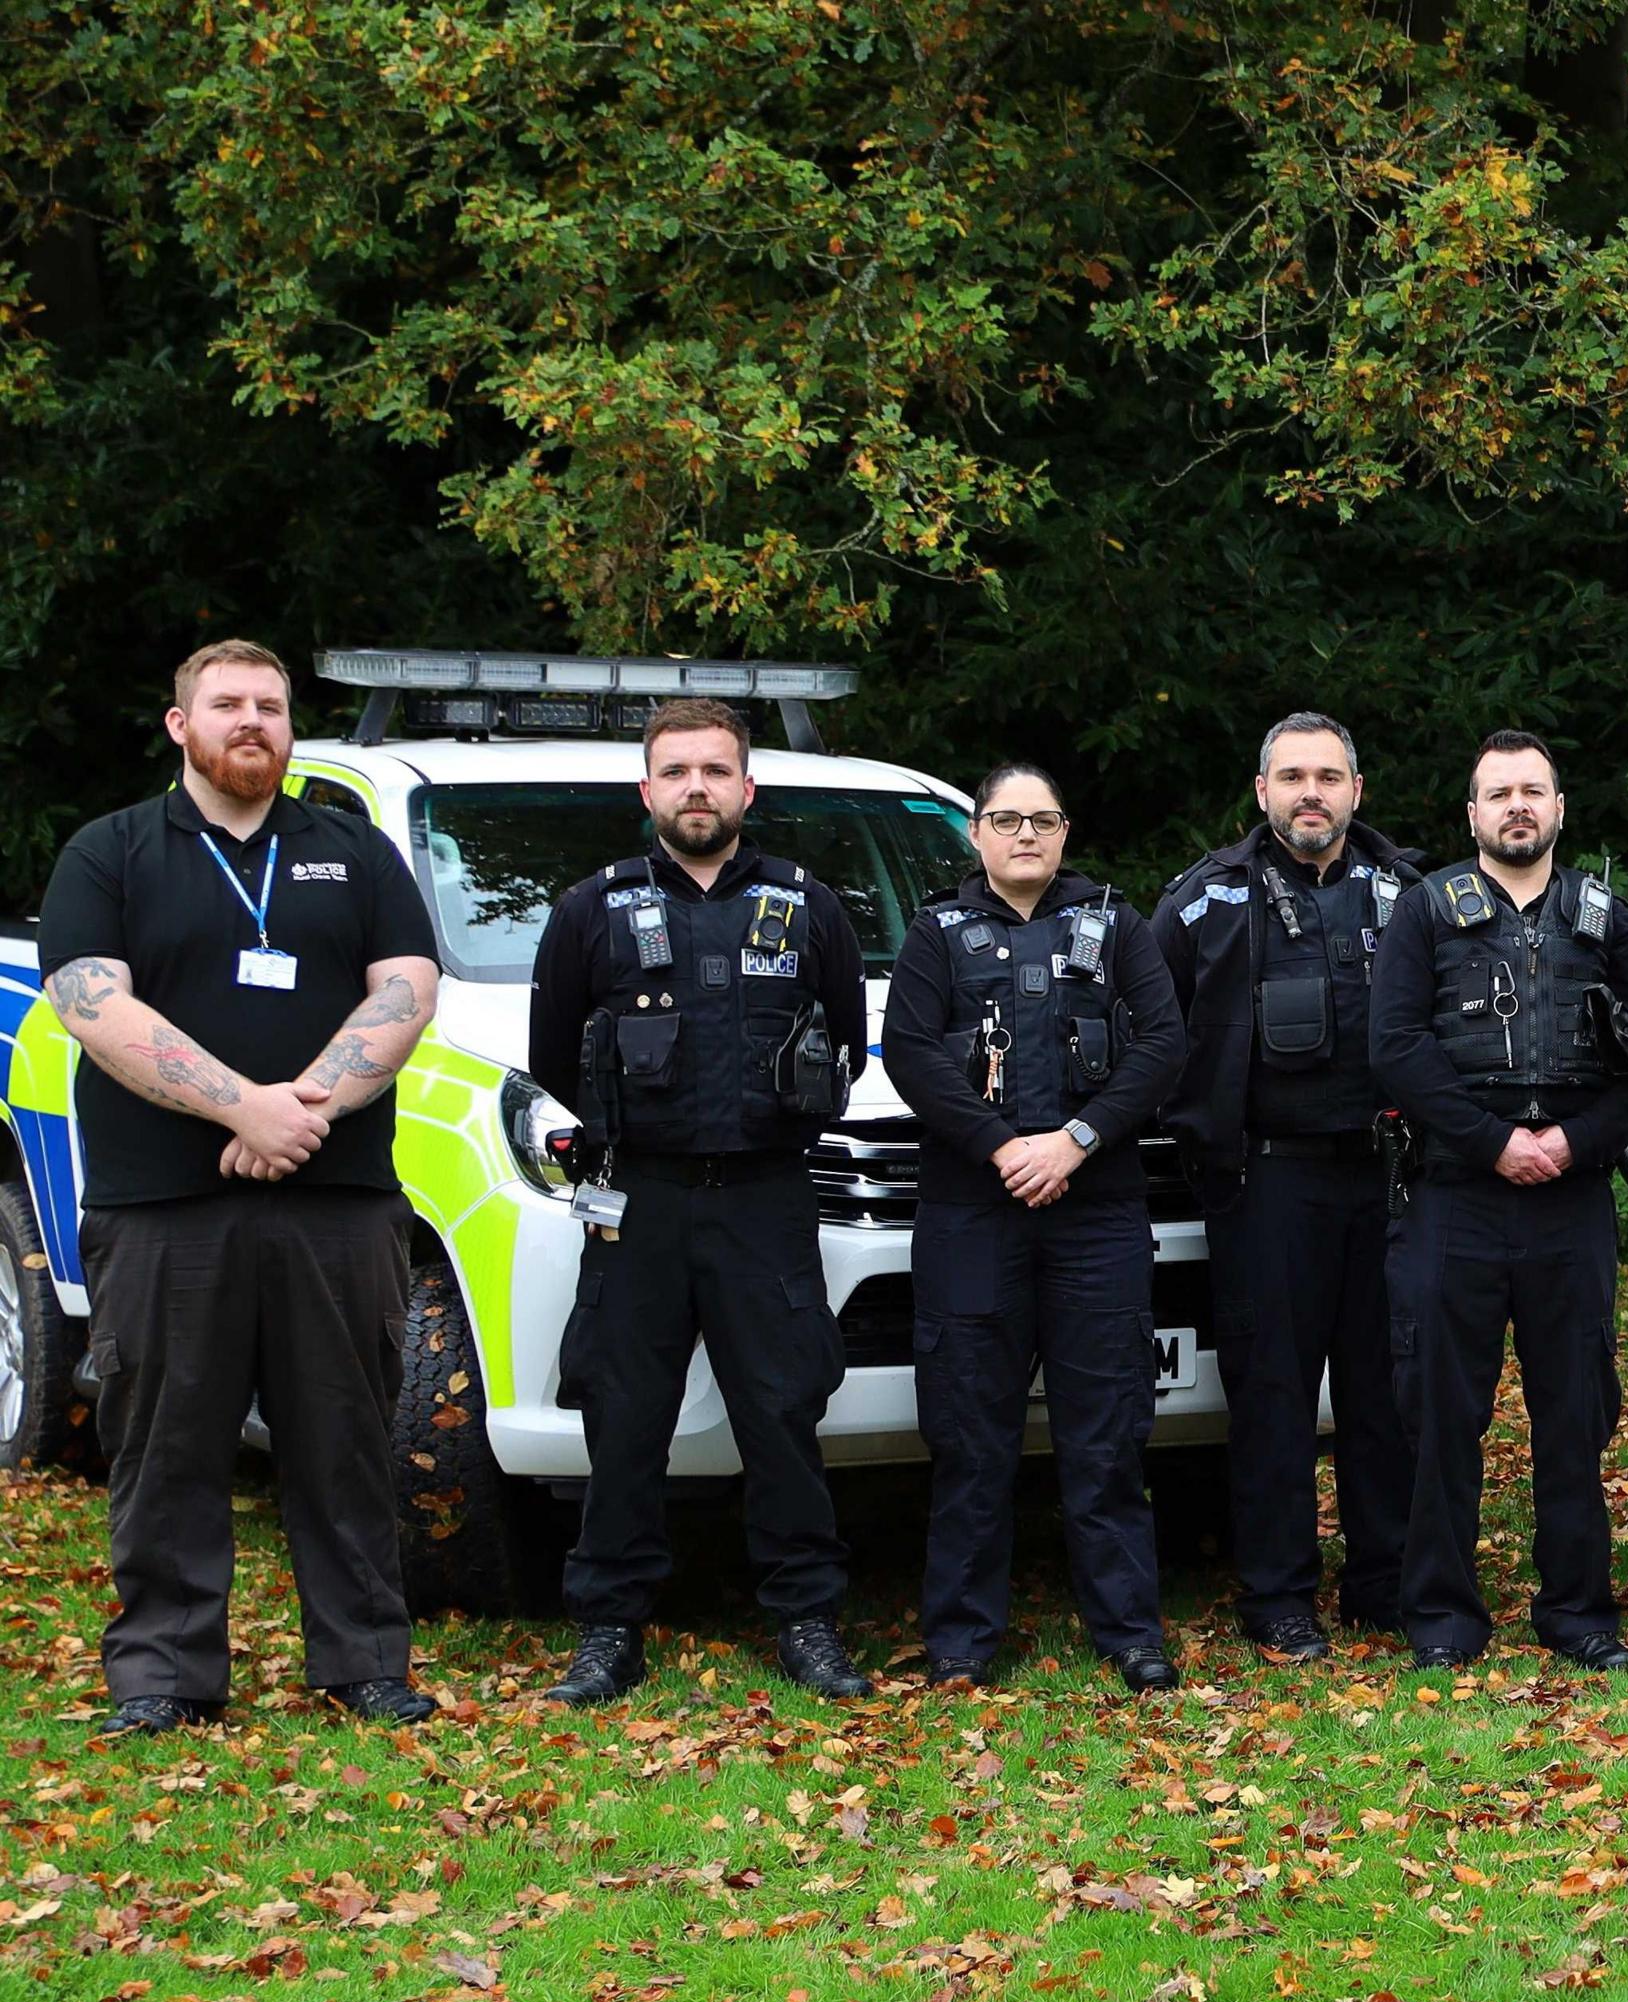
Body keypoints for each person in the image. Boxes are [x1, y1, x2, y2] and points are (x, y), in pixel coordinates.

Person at [37, 641, 444, 1735]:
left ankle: (365, 1661)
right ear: (182, 726)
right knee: (164, 1439)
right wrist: (238, 1108)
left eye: (269, 704)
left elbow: (407, 987)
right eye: (226, 704)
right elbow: (92, 1003)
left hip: (337, 1196)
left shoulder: (351, 849)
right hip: (163, 1204)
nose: (251, 720)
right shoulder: (111, 851)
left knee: (345, 1436)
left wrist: (300, 1107)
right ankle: (164, 1673)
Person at [527, 698, 873, 1705]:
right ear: (647, 790)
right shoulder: (592, 908)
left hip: (765, 1198)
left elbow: (843, 1042)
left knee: (782, 1411)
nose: (696, 787)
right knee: (625, 1417)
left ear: (747, 787)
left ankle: (806, 1619)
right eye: (675, 770)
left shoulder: (810, 906)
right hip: (638, 1197)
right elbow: (555, 1056)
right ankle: (608, 1628)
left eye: (715, 770)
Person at [1368, 731, 1628, 1671]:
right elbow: (1394, 1047)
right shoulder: (1424, 914)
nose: (1517, 806)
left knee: (1576, 1408)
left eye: (1532, 790)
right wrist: (1493, 1141)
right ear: (1471, 814)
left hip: (1570, 1198)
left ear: (1558, 807)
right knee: (1437, 1413)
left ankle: (1580, 1611)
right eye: (1498, 792)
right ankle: (1442, 1617)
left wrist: (1574, 1143)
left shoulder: (1604, 917)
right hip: (1452, 1193)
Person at [884, 765, 1188, 1693]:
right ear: (976, 834)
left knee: (1108, 1435)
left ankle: (1132, 1633)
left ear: (1064, 833)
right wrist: (1002, 1147)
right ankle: (963, 1641)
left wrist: (1076, 1141)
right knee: (971, 1437)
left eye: (1043, 819)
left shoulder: (1117, 926)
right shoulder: (935, 934)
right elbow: (907, 1052)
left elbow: (1163, 1045)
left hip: (1095, 1212)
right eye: (1007, 819)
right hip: (974, 1212)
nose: (1026, 834)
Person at [1153, 714, 1416, 1659]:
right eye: (1293, 775)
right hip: (1265, 1185)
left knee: (1387, 1391)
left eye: (1330, 775)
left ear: (1357, 790)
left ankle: (1384, 1583)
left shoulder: (1409, 897)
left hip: (1390, 1181)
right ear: (1260, 792)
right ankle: (1277, 1594)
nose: (1313, 792)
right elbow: (1149, 1027)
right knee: (1271, 1396)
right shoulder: (1203, 903)